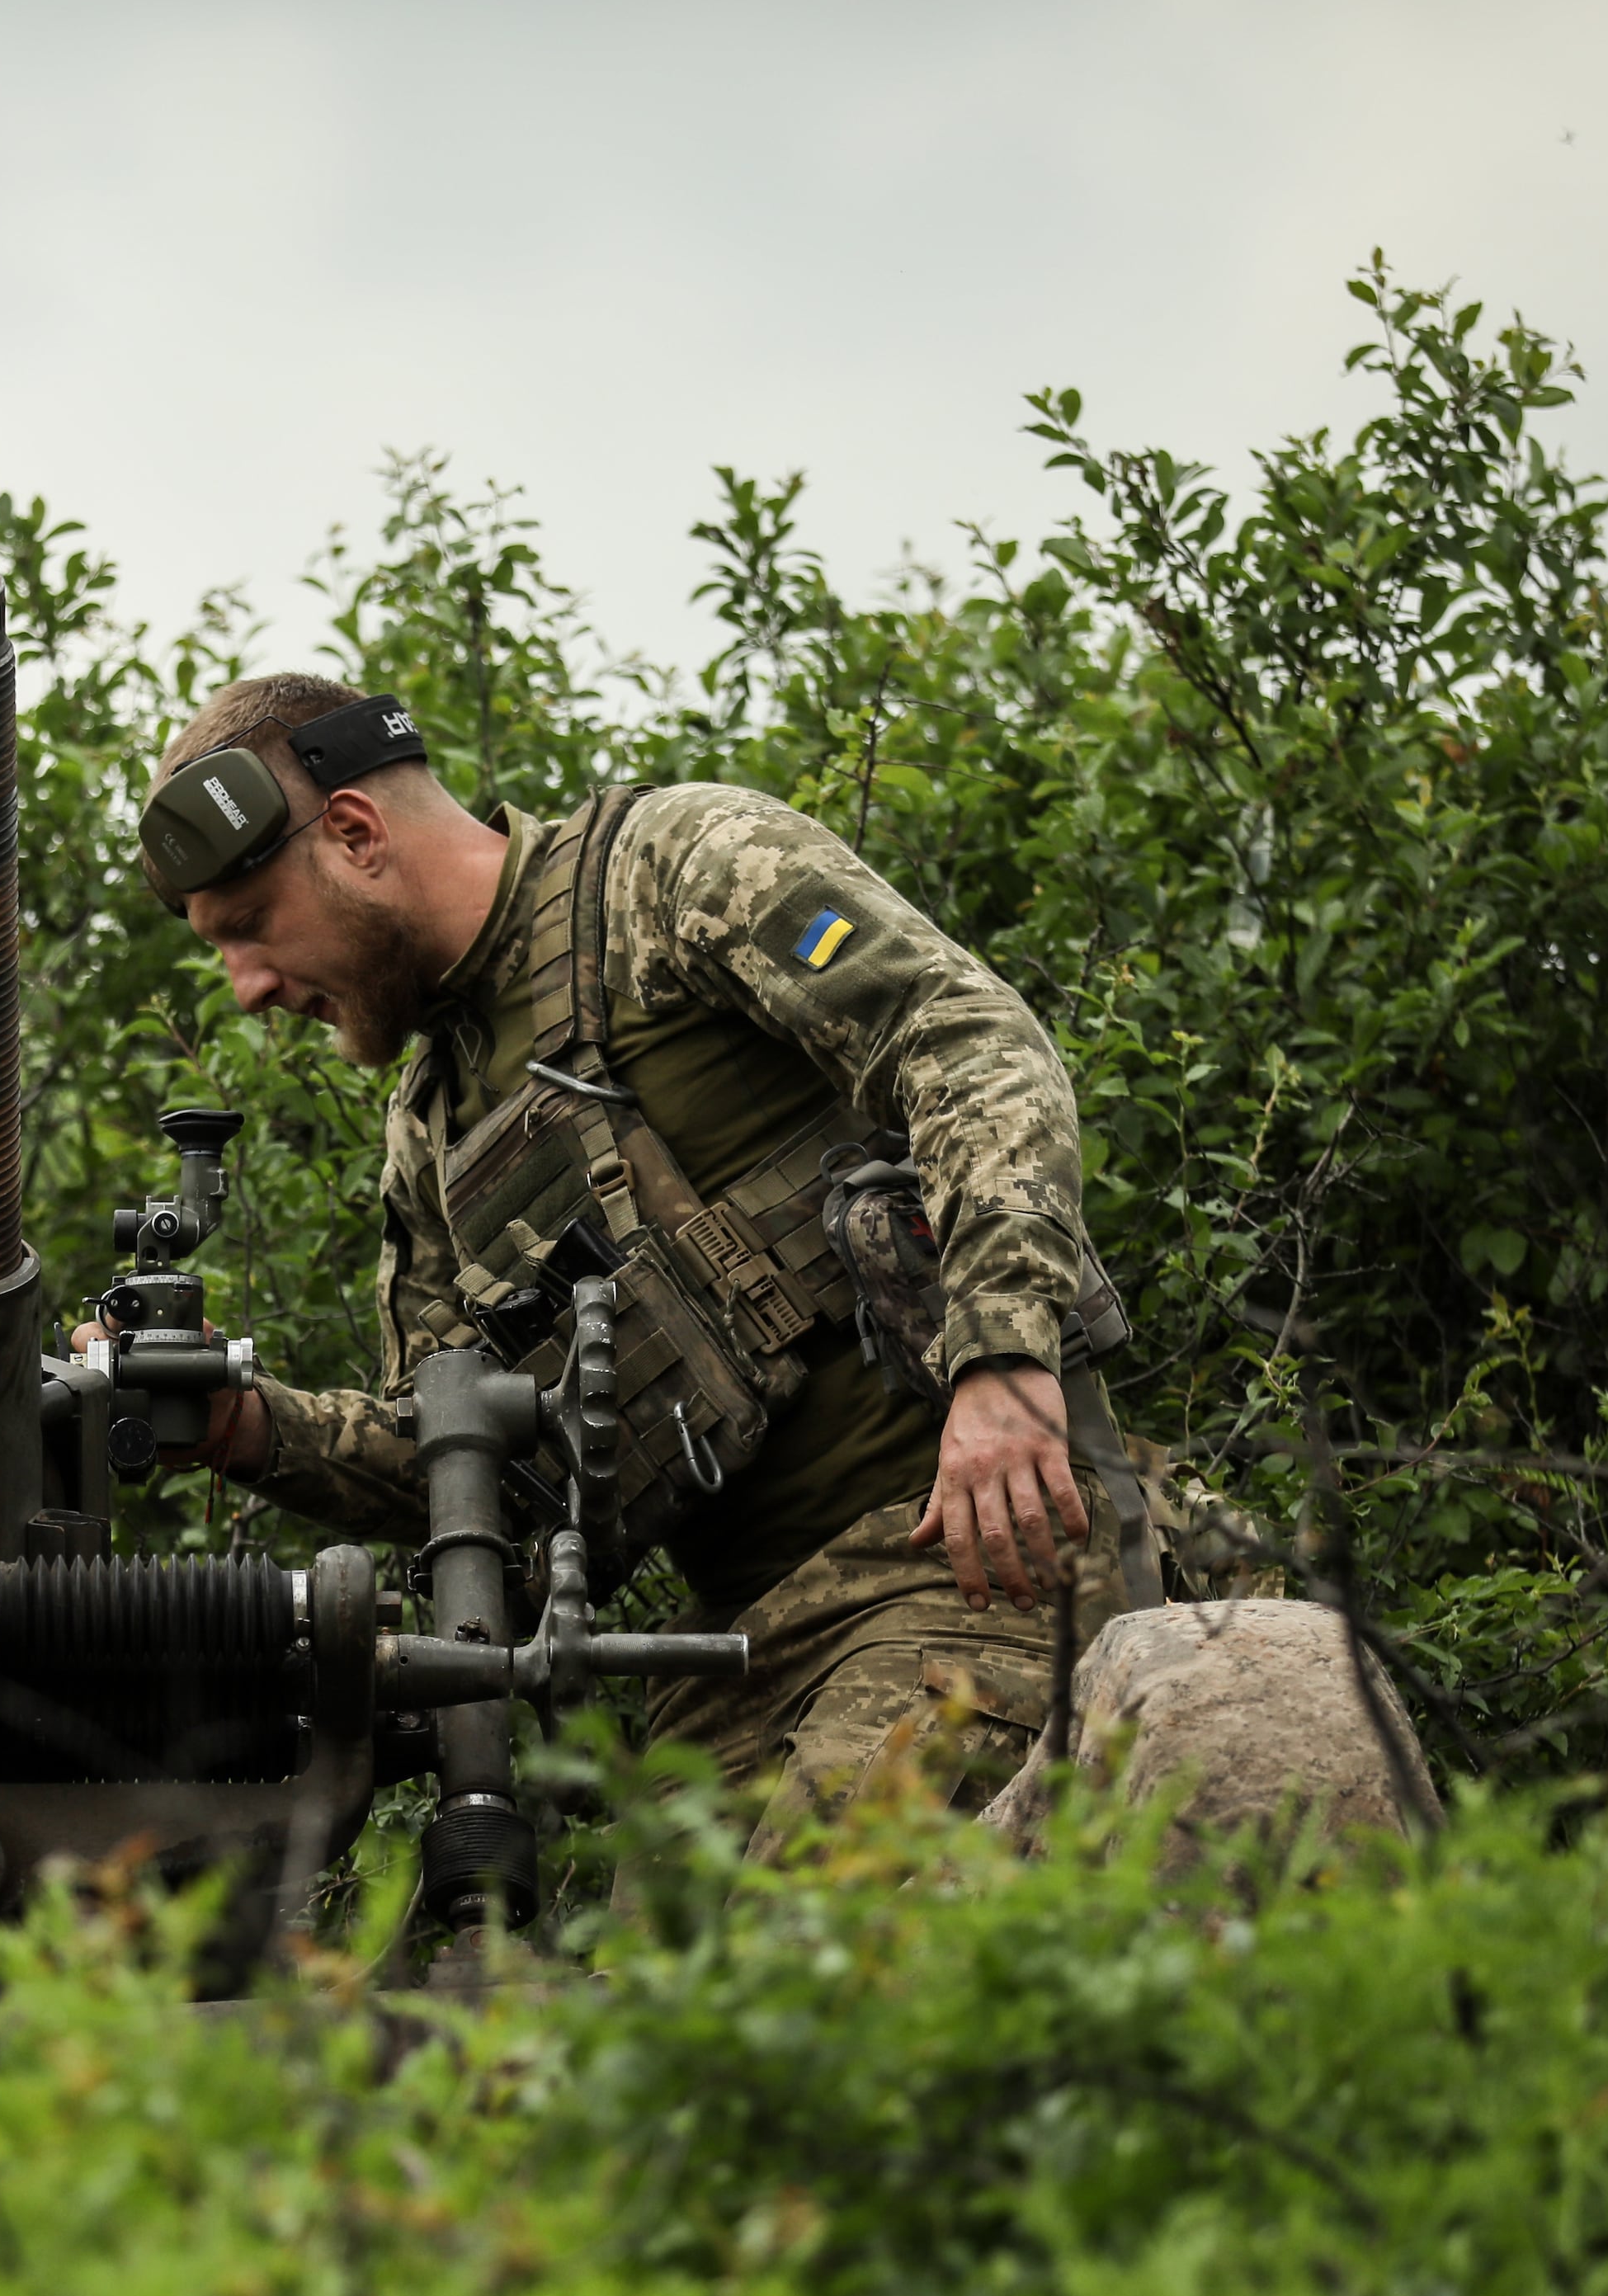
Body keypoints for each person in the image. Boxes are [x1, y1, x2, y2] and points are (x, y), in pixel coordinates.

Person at [131, 674, 1192, 1832]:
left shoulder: (669, 871)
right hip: (737, 1651)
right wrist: (245, 1425)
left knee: (816, 1938)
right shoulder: (427, 1133)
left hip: (970, 1557)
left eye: (247, 930)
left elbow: (968, 1047)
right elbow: (459, 1464)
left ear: (353, 833)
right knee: (635, 1996)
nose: (245, 990)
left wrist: (999, 1363)